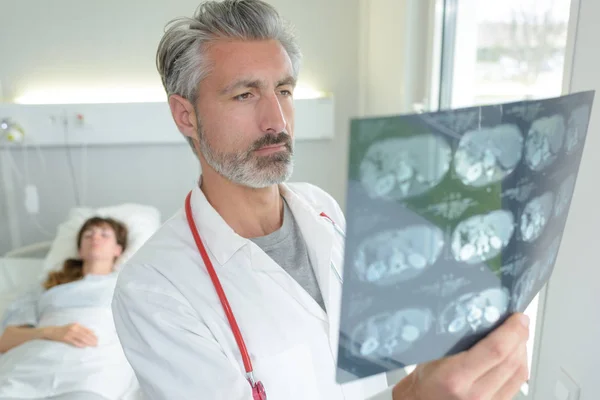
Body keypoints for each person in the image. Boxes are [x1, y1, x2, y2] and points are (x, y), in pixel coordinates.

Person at [111, 1, 530, 399]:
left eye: (285, 91)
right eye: (245, 95)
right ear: (186, 116)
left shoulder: (324, 209)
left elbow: (377, 356)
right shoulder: (153, 288)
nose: (276, 121)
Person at [0, 217, 136, 400]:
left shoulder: (128, 286)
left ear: (118, 249)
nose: (95, 237)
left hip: (92, 367)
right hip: (34, 363)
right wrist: (50, 331)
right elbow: (6, 339)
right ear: (80, 250)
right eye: (88, 234)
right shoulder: (46, 287)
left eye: (104, 234)